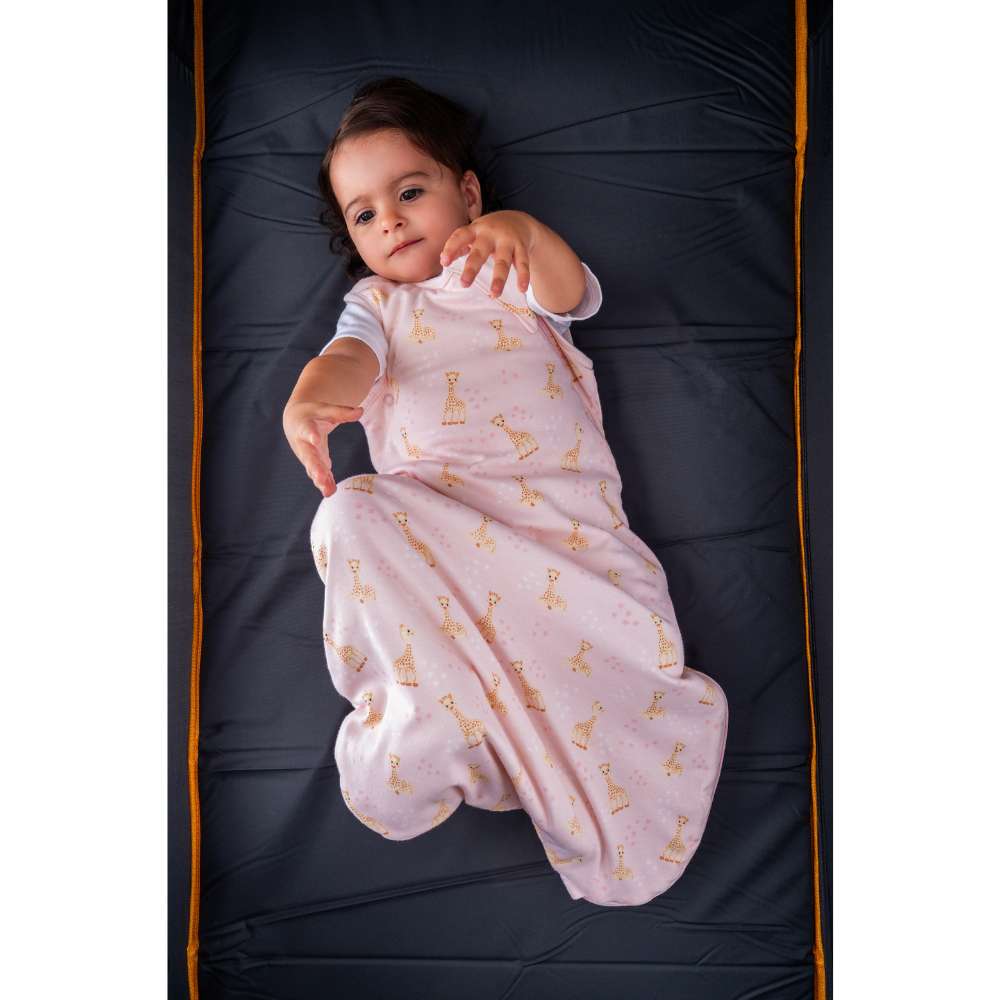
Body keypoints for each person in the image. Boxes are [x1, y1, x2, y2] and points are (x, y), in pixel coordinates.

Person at [282, 77, 728, 907]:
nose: (391, 222)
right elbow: (351, 358)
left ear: (468, 192)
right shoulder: (376, 306)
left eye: (409, 192)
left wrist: (523, 233)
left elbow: (571, 292)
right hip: (440, 533)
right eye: (364, 214)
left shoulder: (504, 268)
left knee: (590, 658)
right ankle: (434, 719)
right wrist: (314, 394)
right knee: (347, 512)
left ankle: (511, 737)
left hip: (553, 530)